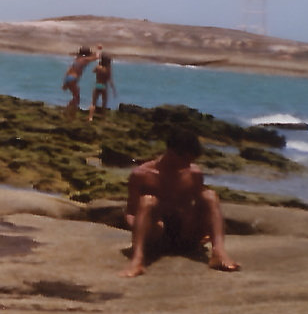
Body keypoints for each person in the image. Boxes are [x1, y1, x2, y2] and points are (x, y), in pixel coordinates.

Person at [120, 129, 241, 277]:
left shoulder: (194, 173)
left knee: (210, 195)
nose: (188, 164)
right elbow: (131, 212)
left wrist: (207, 229)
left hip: (185, 233)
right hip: (157, 234)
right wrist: (139, 229)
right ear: (171, 153)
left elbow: (205, 207)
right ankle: (137, 260)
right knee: (147, 201)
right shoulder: (142, 175)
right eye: (186, 159)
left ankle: (219, 253)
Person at [61, 45, 99, 115]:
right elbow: (97, 57)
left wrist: (64, 83)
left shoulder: (77, 59)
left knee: (76, 97)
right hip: (73, 79)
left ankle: (68, 111)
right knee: (76, 98)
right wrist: (99, 49)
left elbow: (68, 70)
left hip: (68, 78)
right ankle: (69, 112)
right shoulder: (85, 59)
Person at [87, 54, 115, 120]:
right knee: (104, 103)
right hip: (104, 86)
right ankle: (103, 117)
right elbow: (109, 79)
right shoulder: (108, 69)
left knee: (93, 102)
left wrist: (99, 64)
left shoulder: (98, 67)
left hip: (97, 85)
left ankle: (90, 117)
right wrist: (113, 89)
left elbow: (93, 71)